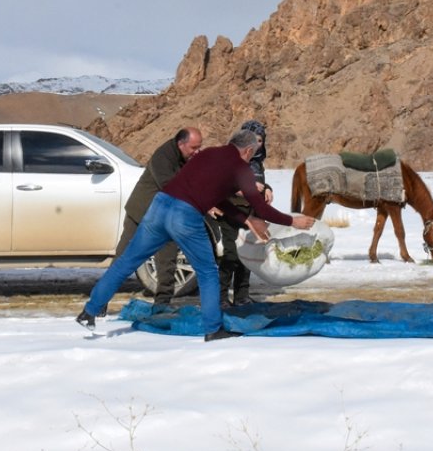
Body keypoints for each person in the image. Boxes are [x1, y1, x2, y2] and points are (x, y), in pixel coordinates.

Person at [77, 129, 316, 341]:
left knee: (128, 260)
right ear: (249, 150)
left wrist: (246, 219)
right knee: (208, 270)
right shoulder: (241, 168)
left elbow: (217, 197)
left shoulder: (208, 153)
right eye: (254, 152)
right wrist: (293, 220)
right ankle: (213, 329)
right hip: (185, 215)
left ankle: (90, 311)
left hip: (160, 206)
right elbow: (262, 208)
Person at [117, 127, 204, 305]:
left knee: (167, 262)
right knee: (124, 257)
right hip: (141, 211)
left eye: (199, 147)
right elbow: (169, 185)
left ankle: (162, 303)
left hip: (167, 215)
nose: (197, 152)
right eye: (194, 148)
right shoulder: (163, 156)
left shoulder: (188, 158)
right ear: (181, 144)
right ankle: (100, 301)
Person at [210, 120, 270, 307]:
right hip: (232, 213)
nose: (256, 144)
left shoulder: (257, 162)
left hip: (253, 213)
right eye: (252, 140)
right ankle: (220, 298)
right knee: (231, 256)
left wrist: (266, 188)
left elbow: (257, 182)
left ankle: (241, 296)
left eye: (260, 140)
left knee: (248, 254)